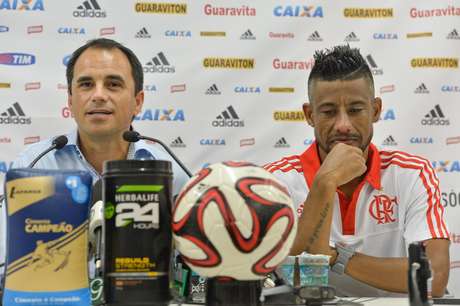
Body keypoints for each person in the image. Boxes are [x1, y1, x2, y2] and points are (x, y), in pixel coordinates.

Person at [264, 45, 450, 297]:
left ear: (375, 110)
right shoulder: (273, 182)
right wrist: (325, 183)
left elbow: (434, 278)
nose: (343, 125)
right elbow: (274, 279)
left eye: (355, 110)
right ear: (310, 115)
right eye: (329, 112)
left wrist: (334, 256)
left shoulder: (412, 173)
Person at [0, 38, 190, 276]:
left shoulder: (169, 174)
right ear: (70, 100)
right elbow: (8, 264)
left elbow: (190, 271)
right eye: (86, 84)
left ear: (138, 102)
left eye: (113, 84)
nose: (98, 95)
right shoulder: (35, 165)